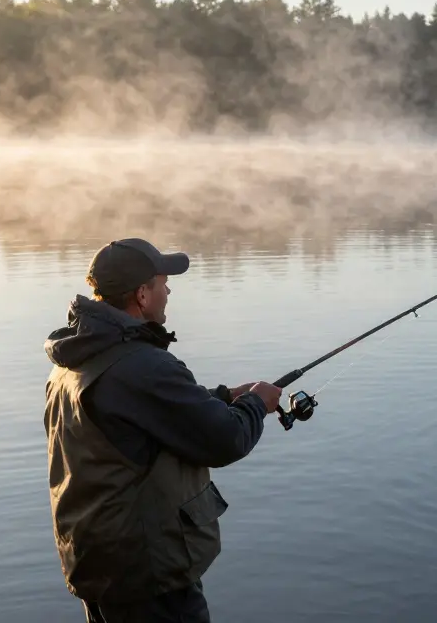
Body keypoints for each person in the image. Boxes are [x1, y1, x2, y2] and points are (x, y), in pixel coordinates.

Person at [42, 237, 283, 622]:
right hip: (149, 578)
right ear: (141, 294)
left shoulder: (73, 361)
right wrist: (256, 403)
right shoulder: (143, 366)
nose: (168, 290)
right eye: (161, 282)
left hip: (99, 565)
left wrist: (222, 396)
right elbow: (225, 440)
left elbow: (137, 413)